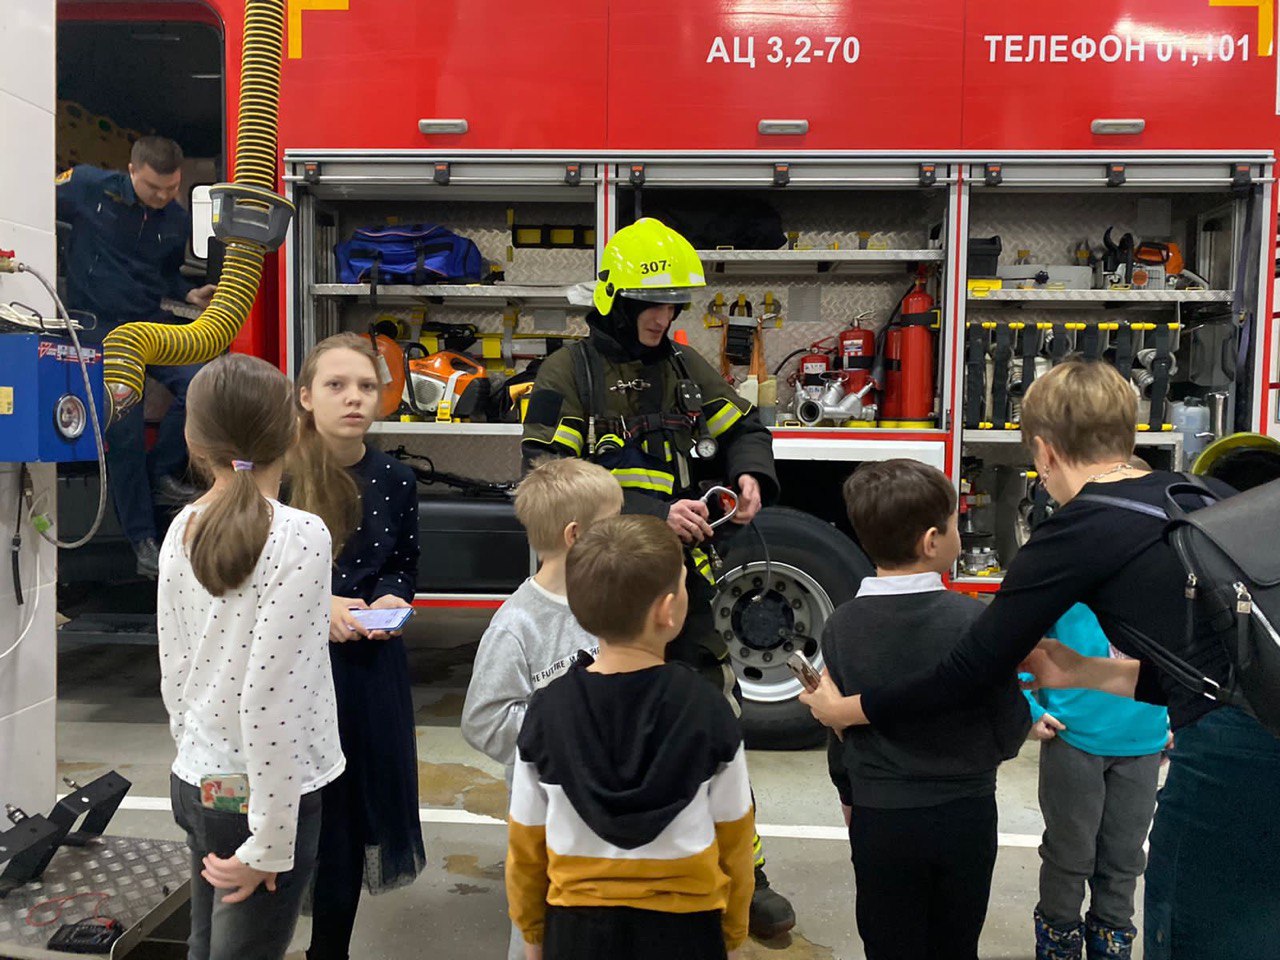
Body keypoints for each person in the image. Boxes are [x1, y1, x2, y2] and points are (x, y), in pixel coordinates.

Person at [800, 359, 1280, 960]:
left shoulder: (1079, 527)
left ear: (1046, 453)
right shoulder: (1191, 494)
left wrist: (850, 709)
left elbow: (968, 673)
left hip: (1239, 740)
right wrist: (1088, 672)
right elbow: (1211, 663)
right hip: (1267, 707)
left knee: (1195, 922)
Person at [521, 217, 792, 938]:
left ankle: (744, 873)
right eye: (653, 303)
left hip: (679, 579)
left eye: (673, 304)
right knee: (598, 718)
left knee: (711, 716)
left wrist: (749, 472)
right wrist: (648, 510)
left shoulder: (680, 365)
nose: (665, 316)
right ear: (612, 299)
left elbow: (744, 425)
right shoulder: (565, 373)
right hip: (601, 577)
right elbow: (547, 478)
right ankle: (591, 863)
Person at [157, 353, 344, 960]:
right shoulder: (300, 535)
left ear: (191, 438)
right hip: (267, 795)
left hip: (200, 779)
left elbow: (175, 670)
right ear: (294, 429)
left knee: (207, 947)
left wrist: (196, 756)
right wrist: (269, 841)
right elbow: (270, 700)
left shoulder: (181, 526)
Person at [506, 514, 755, 960]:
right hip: (687, 928)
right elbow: (735, 843)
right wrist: (733, 935)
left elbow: (526, 847)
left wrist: (533, 936)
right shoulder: (708, 709)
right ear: (667, 610)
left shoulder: (546, 711)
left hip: (576, 928)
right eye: (683, 584)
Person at [826, 459, 1028, 960]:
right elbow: (1007, 725)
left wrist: (851, 795)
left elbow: (838, 729)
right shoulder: (971, 620)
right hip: (965, 812)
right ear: (932, 542)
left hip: (880, 814)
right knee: (955, 941)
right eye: (956, 523)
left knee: (888, 939)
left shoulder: (841, 625)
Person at [287, 333, 426, 960]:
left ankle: (328, 951)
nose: (354, 399)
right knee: (292, 817)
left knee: (347, 821)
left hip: (367, 670)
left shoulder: (396, 477)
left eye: (367, 386)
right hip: (292, 669)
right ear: (305, 396)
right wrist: (323, 609)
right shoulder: (280, 475)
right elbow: (253, 580)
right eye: (337, 386)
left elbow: (402, 561)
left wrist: (395, 598)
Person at [462, 457, 622, 960]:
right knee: (542, 920)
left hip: (614, 800)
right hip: (547, 811)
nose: (624, 529)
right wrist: (569, 727)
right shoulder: (519, 626)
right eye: (614, 520)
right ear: (577, 535)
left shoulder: (615, 599)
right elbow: (483, 720)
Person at [57, 135, 217, 576]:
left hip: (148, 323)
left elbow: (164, 274)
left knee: (202, 382)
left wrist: (188, 291)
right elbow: (31, 208)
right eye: (153, 188)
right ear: (131, 171)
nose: (163, 197)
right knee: (122, 429)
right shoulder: (88, 187)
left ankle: (163, 473)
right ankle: (143, 541)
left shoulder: (177, 219)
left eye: (171, 188)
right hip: (96, 327)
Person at [1025, 601, 1169, 960]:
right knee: (1068, 855)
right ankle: (1058, 944)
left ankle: (1112, 946)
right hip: (1072, 734)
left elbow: (1187, 649)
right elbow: (1019, 640)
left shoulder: (1164, 572)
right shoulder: (1071, 571)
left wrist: (1184, 712)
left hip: (1143, 737)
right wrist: (1028, 707)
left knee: (1124, 860)